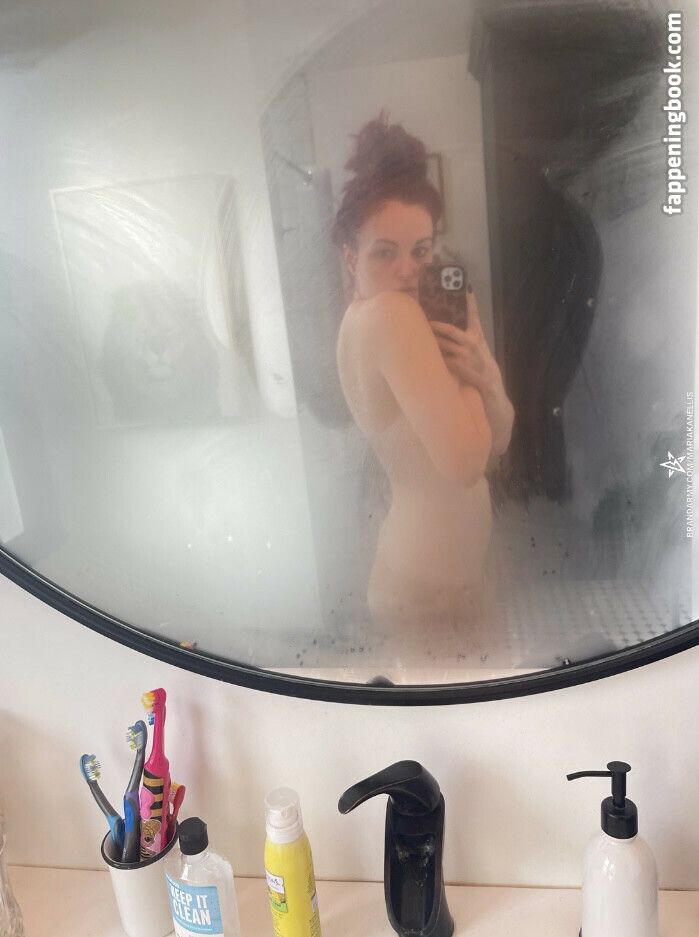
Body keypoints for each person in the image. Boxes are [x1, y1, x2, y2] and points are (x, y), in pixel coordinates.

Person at [333, 111, 514, 658]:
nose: (409, 270)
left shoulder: (374, 321)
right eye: (385, 252)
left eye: (422, 250)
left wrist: (484, 373)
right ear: (351, 258)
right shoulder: (391, 317)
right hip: (429, 594)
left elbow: (499, 442)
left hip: (436, 583)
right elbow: (466, 464)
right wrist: (467, 371)